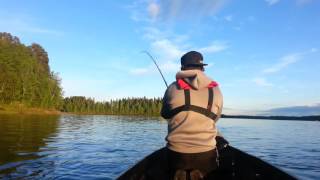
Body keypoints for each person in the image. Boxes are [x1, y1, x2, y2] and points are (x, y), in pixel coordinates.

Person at [161, 51, 223, 179]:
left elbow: (165, 114)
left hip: (176, 154)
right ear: (202, 68)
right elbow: (215, 118)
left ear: (182, 68)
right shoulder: (216, 90)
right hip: (206, 154)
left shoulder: (172, 88)